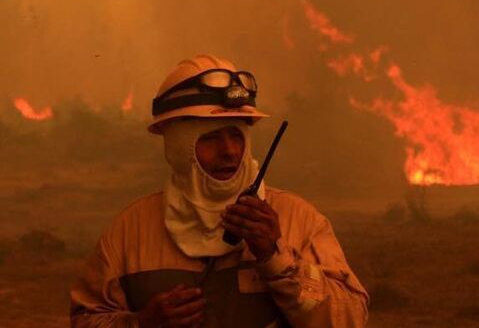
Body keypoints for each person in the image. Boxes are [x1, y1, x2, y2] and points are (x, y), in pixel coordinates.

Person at [70, 54, 369, 327]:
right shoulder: (130, 232)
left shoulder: (298, 221)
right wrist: (141, 323)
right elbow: (85, 320)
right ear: (178, 147)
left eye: (236, 136)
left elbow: (351, 319)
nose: (229, 151)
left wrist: (277, 259)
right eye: (211, 138)